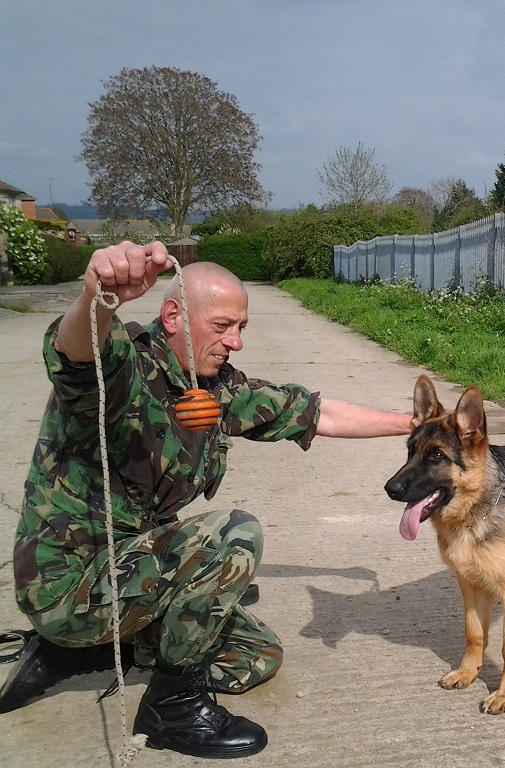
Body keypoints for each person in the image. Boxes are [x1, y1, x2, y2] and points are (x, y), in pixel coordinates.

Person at [0, 241, 411, 758]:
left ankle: (91, 649)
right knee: (233, 536)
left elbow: (315, 413)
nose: (235, 342)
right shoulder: (126, 370)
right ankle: (169, 707)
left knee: (256, 654)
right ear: (173, 316)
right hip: (69, 585)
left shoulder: (212, 387)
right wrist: (96, 298)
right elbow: (77, 355)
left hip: (124, 571)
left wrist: (417, 425)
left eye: (241, 329)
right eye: (222, 327)